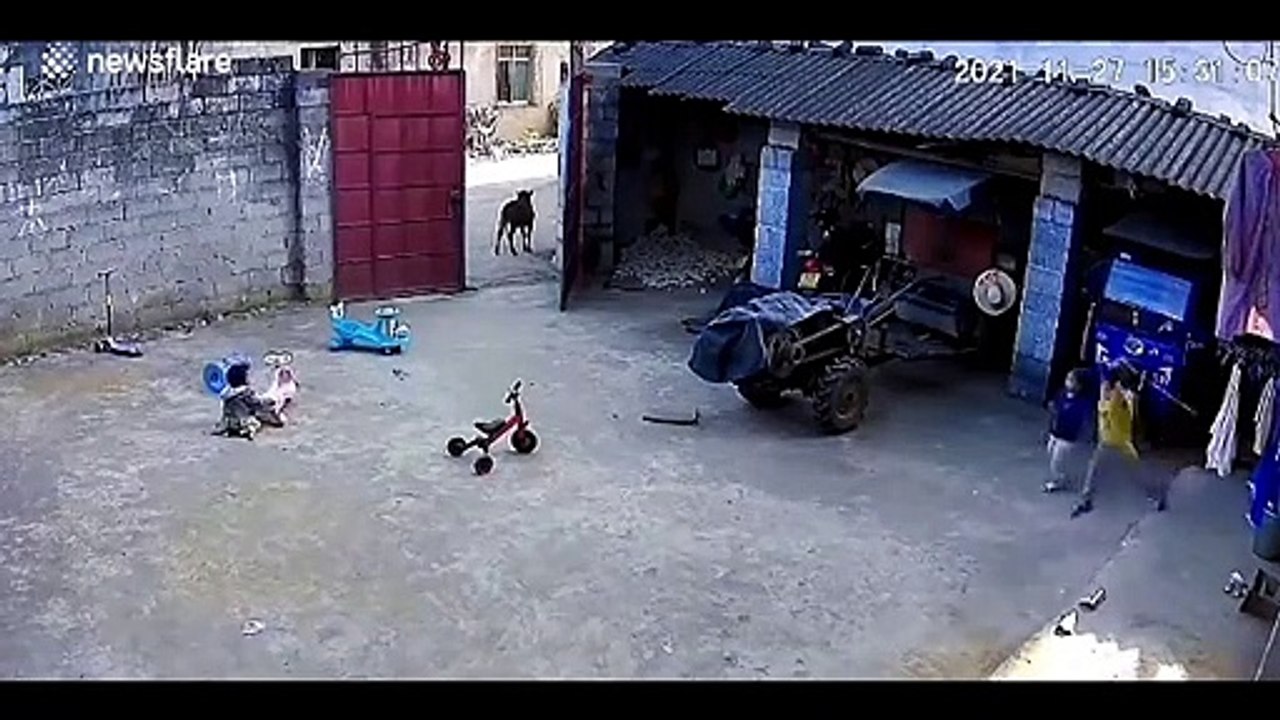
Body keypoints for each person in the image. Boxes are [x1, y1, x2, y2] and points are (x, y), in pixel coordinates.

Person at [1072, 362, 1168, 518]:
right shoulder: (1113, 394)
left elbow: (1122, 401)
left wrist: (1131, 385)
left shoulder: (1122, 397)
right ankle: (1086, 500)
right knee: (1094, 471)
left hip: (1122, 443)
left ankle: (1155, 498)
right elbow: (1104, 378)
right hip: (1107, 442)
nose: (1104, 385)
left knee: (1135, 475)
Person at [1044, 369, 1093, 494]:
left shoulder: (1083, 402)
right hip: (1055, 431)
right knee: (1051, 453)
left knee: (1058, 459)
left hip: (1068, 436)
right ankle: (1059, 476)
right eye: (1067, 379)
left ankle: (1058, 481)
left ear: (1080, 385)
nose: (1068, 382)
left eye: (1072, 380)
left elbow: (1085, 420)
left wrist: (1083, 434)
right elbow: (1055, 407)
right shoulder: (1061, 393)